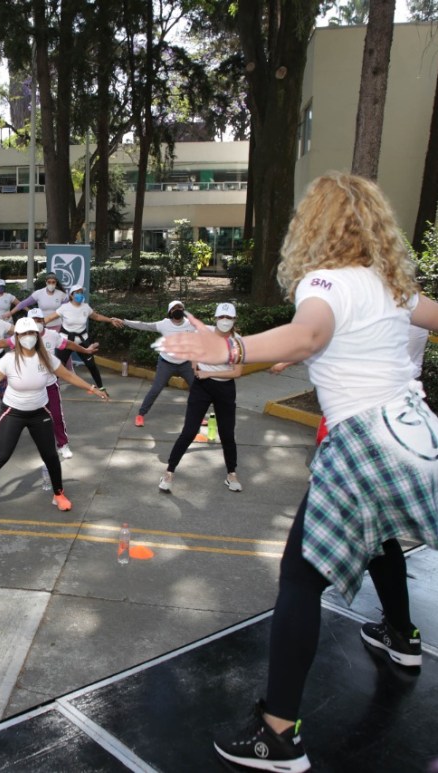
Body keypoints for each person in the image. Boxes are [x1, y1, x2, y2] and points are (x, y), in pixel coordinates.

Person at [156, 172, 438, 772]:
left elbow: (309, 334)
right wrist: (246, 364)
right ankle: (401, 637)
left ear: (315, 226)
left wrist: (229, 349)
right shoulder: (392, 287)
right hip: (417, 432)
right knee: (383, 535)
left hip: (363, 442)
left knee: (300, 582)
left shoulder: (326, 281)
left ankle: (277, 734)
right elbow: (311, 345)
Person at [0, 318, 109, 518]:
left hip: (39, 412)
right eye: (23, 334)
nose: (28, 337)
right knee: (1, 456)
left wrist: (93, 388)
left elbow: (69, 376)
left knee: (50, 455)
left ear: (38, 335)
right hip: (12, 412)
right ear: (17, 337)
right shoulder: (8, 359)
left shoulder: (47, 358)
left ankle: (58, 494)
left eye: (31, 333)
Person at [0, 308, 101, 460]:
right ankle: (7, 446)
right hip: (28, 384)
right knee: (21, 416)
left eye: (40, 320)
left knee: (57, 416)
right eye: (34, 321)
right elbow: (4, 342)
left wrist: (85, 350)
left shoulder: (53, 336)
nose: (37, 324)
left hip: (49, 384)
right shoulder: (22, 337)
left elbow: (70, 345)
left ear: (44, 322)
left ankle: (62, 444)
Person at [158, 302, 243, 494]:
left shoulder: (238, 341)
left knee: (227, 433)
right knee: (189, 431)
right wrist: (195, 366)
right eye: (221, 317)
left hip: (225, 388)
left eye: (229, 318)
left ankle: (232, 474)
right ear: (215, 318)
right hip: (202, 388)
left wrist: (208, 374)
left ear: (234, 320)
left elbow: (237, 372)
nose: (225, 321)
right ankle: (168, 472)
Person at [123, 300, 198, 427]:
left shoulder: (191, 324)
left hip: (185, 363)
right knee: (156, 389)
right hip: (166, 363)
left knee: (197, 389)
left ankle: (198, 416)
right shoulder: (164, 324)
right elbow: (143, 325)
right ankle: (141, 414)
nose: (178, 310)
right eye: (174, 309)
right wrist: (124, 322)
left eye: (180, 308)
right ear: (170, 312)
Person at [43, 284, 123, 391]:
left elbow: (97, 316)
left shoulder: (85, 307)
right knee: (59, 367)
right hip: (66, 341)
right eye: (77, 293)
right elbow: (49, 318)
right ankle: (48, 389)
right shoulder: (64, 308)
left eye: (81, 292)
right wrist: (36, 325)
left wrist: (111, 320)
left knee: (91, 365)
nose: (80, 295)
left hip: (82, 341)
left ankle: (101, 387)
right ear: (71, 296)